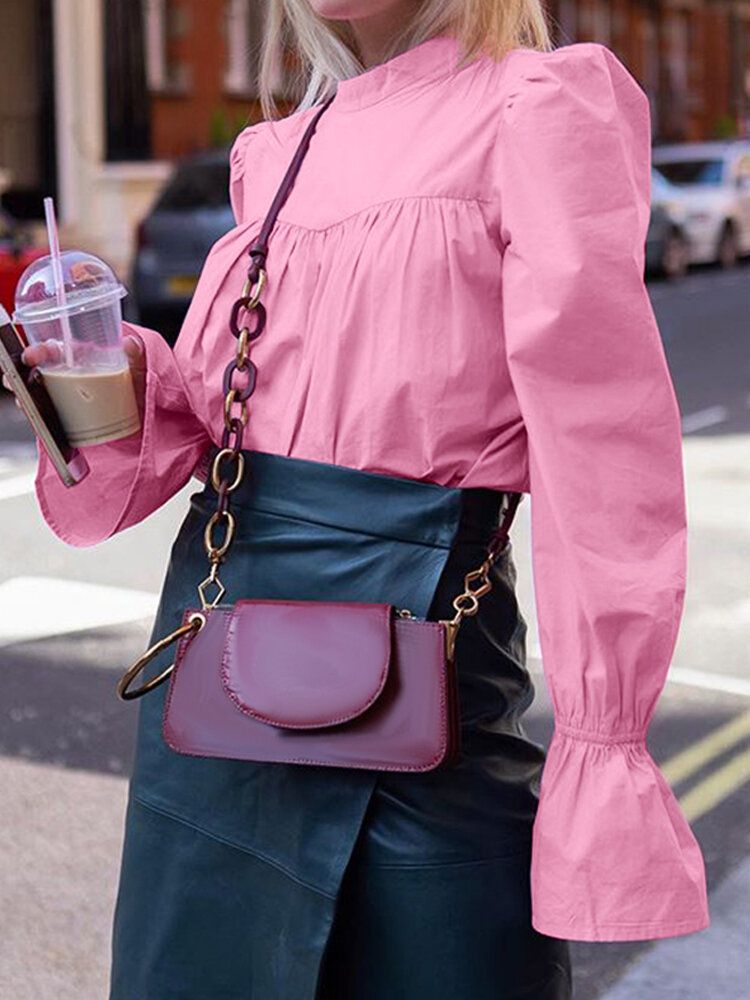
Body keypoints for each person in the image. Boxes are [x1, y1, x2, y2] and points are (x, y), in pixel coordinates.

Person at [5, 1, 710, 997]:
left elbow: (607, 457)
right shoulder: (276, 155)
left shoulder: (538, 106)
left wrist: (607, 741)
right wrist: (104, 383)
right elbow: (215, 432)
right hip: (221, 719)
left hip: (426, 711)